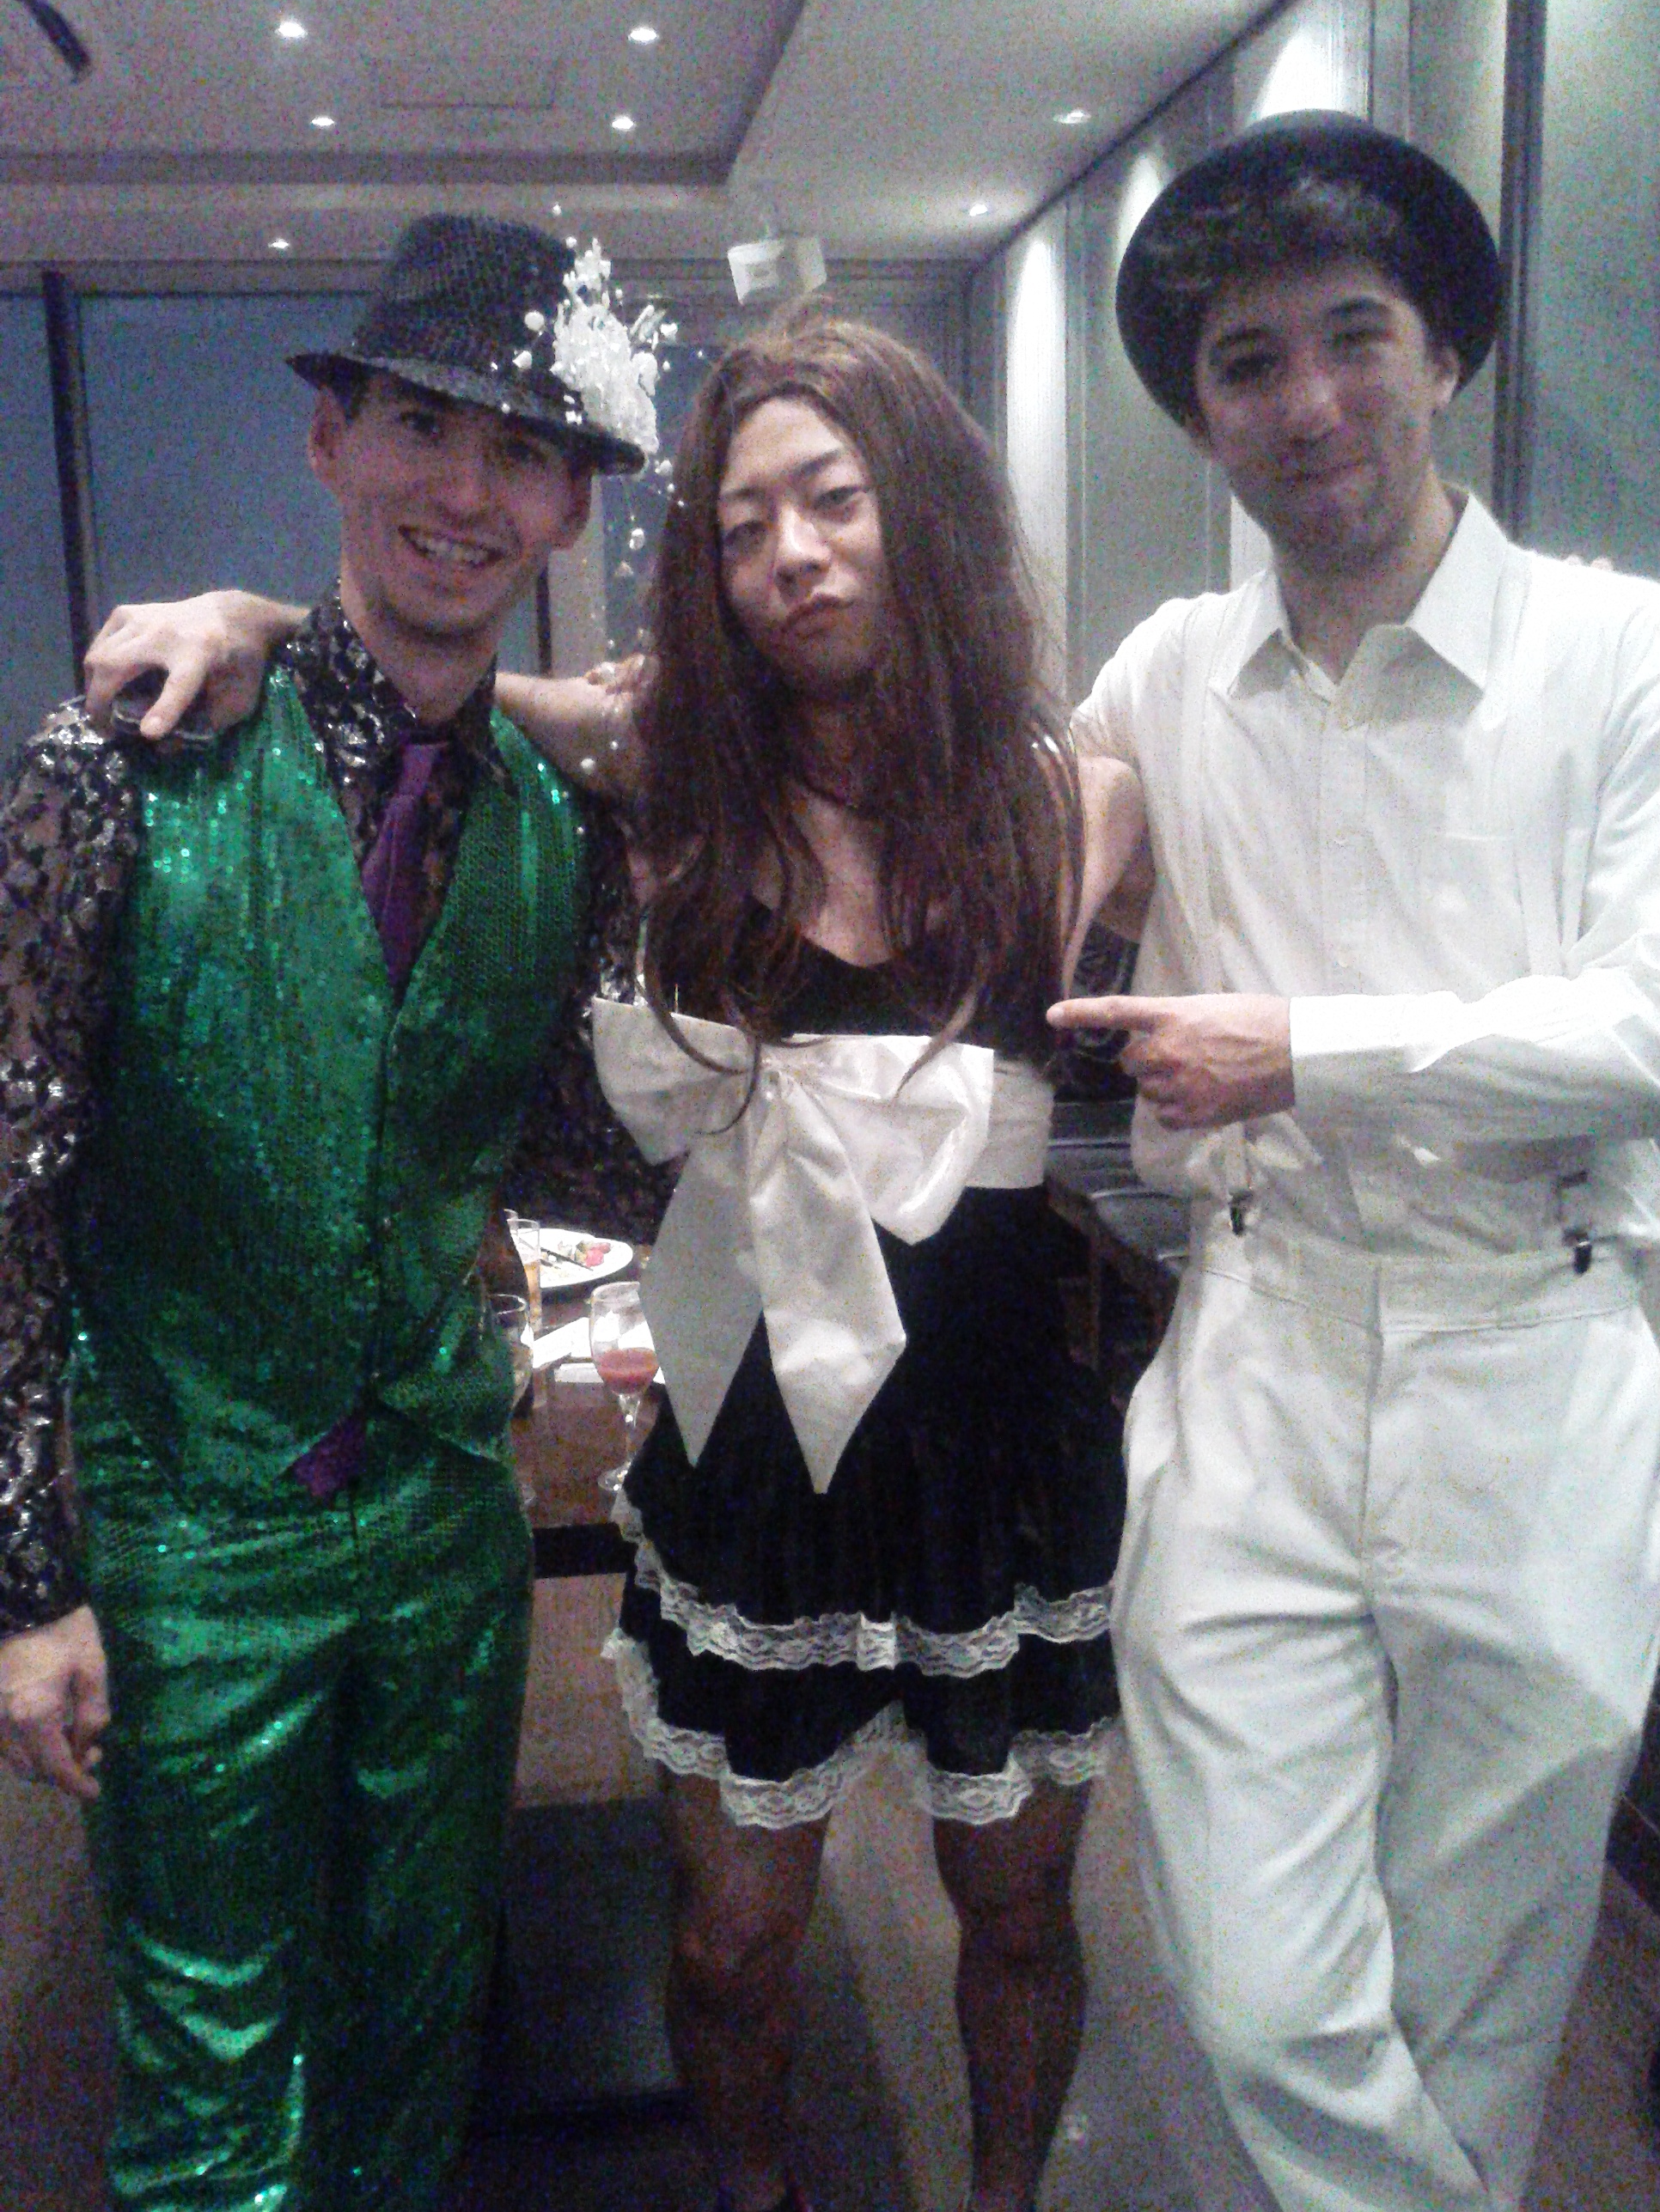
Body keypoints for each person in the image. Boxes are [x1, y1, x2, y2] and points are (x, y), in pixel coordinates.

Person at [113, 308, 1148, 2212]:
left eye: (832, 501)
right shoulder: (672, 773)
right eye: (743, 527)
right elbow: (430, 678)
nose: (791, 556)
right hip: (753, 1452)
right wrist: (248, 618)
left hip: (998, 1457)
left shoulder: (1070, 796)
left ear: (920, 507)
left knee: (1018, 1909)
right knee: (733, 1937)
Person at [0, 211, 659, 2212]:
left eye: (520, 452)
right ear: (330, 443)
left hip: (447, 1519)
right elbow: (11, 1180)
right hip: (189, 1520)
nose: (464, 490)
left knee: (417, 2010)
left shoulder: (560, 830)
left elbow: (580, 1160)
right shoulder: (118, 763)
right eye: (420, 427)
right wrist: (28, 1580)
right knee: (211, 2060)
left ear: (567, 506)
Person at [1052, 111, 1660, 2212]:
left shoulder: (1621, 652)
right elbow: (966, 790)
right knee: (1262, 1991)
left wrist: (1301, 1051)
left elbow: (1648, 1026)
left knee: (1478, 1994)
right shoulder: (1166, 673)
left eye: (1354, 335)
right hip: (1262, 1357)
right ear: (1198, 412)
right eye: (1248, 362)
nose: (1308, 400)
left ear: (1446, 352)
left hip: (1539, 1361)